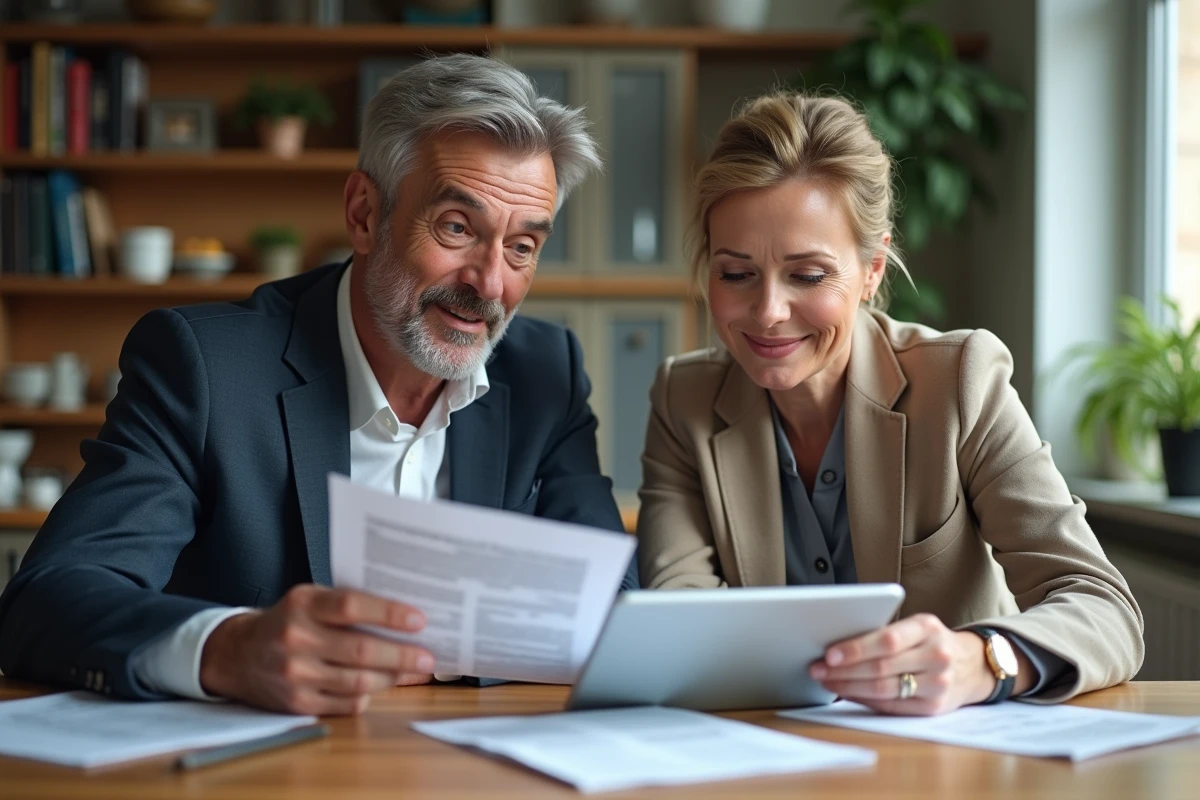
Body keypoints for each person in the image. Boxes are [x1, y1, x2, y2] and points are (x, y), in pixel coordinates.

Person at [0, 54, 637, 715]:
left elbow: (611, 606)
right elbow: (47, 599)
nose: (489, 283)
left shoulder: (545, 372)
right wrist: (227, 648)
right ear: (364, 213)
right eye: (457, 227)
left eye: (522, 248)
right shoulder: (205, 366)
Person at [636, 92, 1143, 715]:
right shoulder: (682, 397)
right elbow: (677, 614)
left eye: (809, 275)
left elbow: (1101, 604)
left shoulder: (960, 380)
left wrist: (981, 661)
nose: (768, 312)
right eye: (736, 274)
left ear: (873, 268)